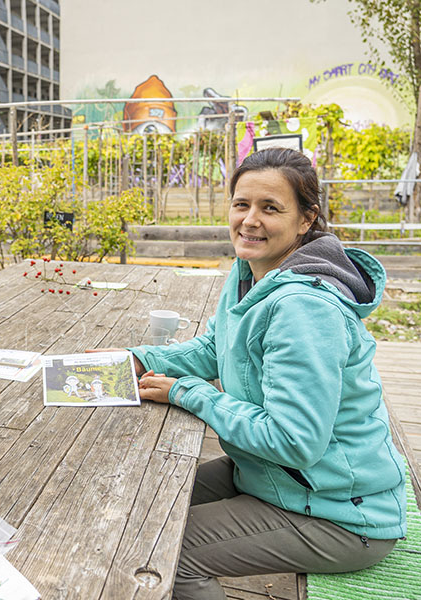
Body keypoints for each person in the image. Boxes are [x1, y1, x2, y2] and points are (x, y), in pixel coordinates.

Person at [102, 148, 406, 599]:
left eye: (270, 208)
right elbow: (217, 346)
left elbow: (294, 441)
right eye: (241, 204)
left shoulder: (305, 309)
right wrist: (140, 358)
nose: (249, 220)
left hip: (339, 513)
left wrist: (189, 392)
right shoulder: (251, 270)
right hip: (271, 476)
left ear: (306, 220)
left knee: (160, 551)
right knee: (141, 501)